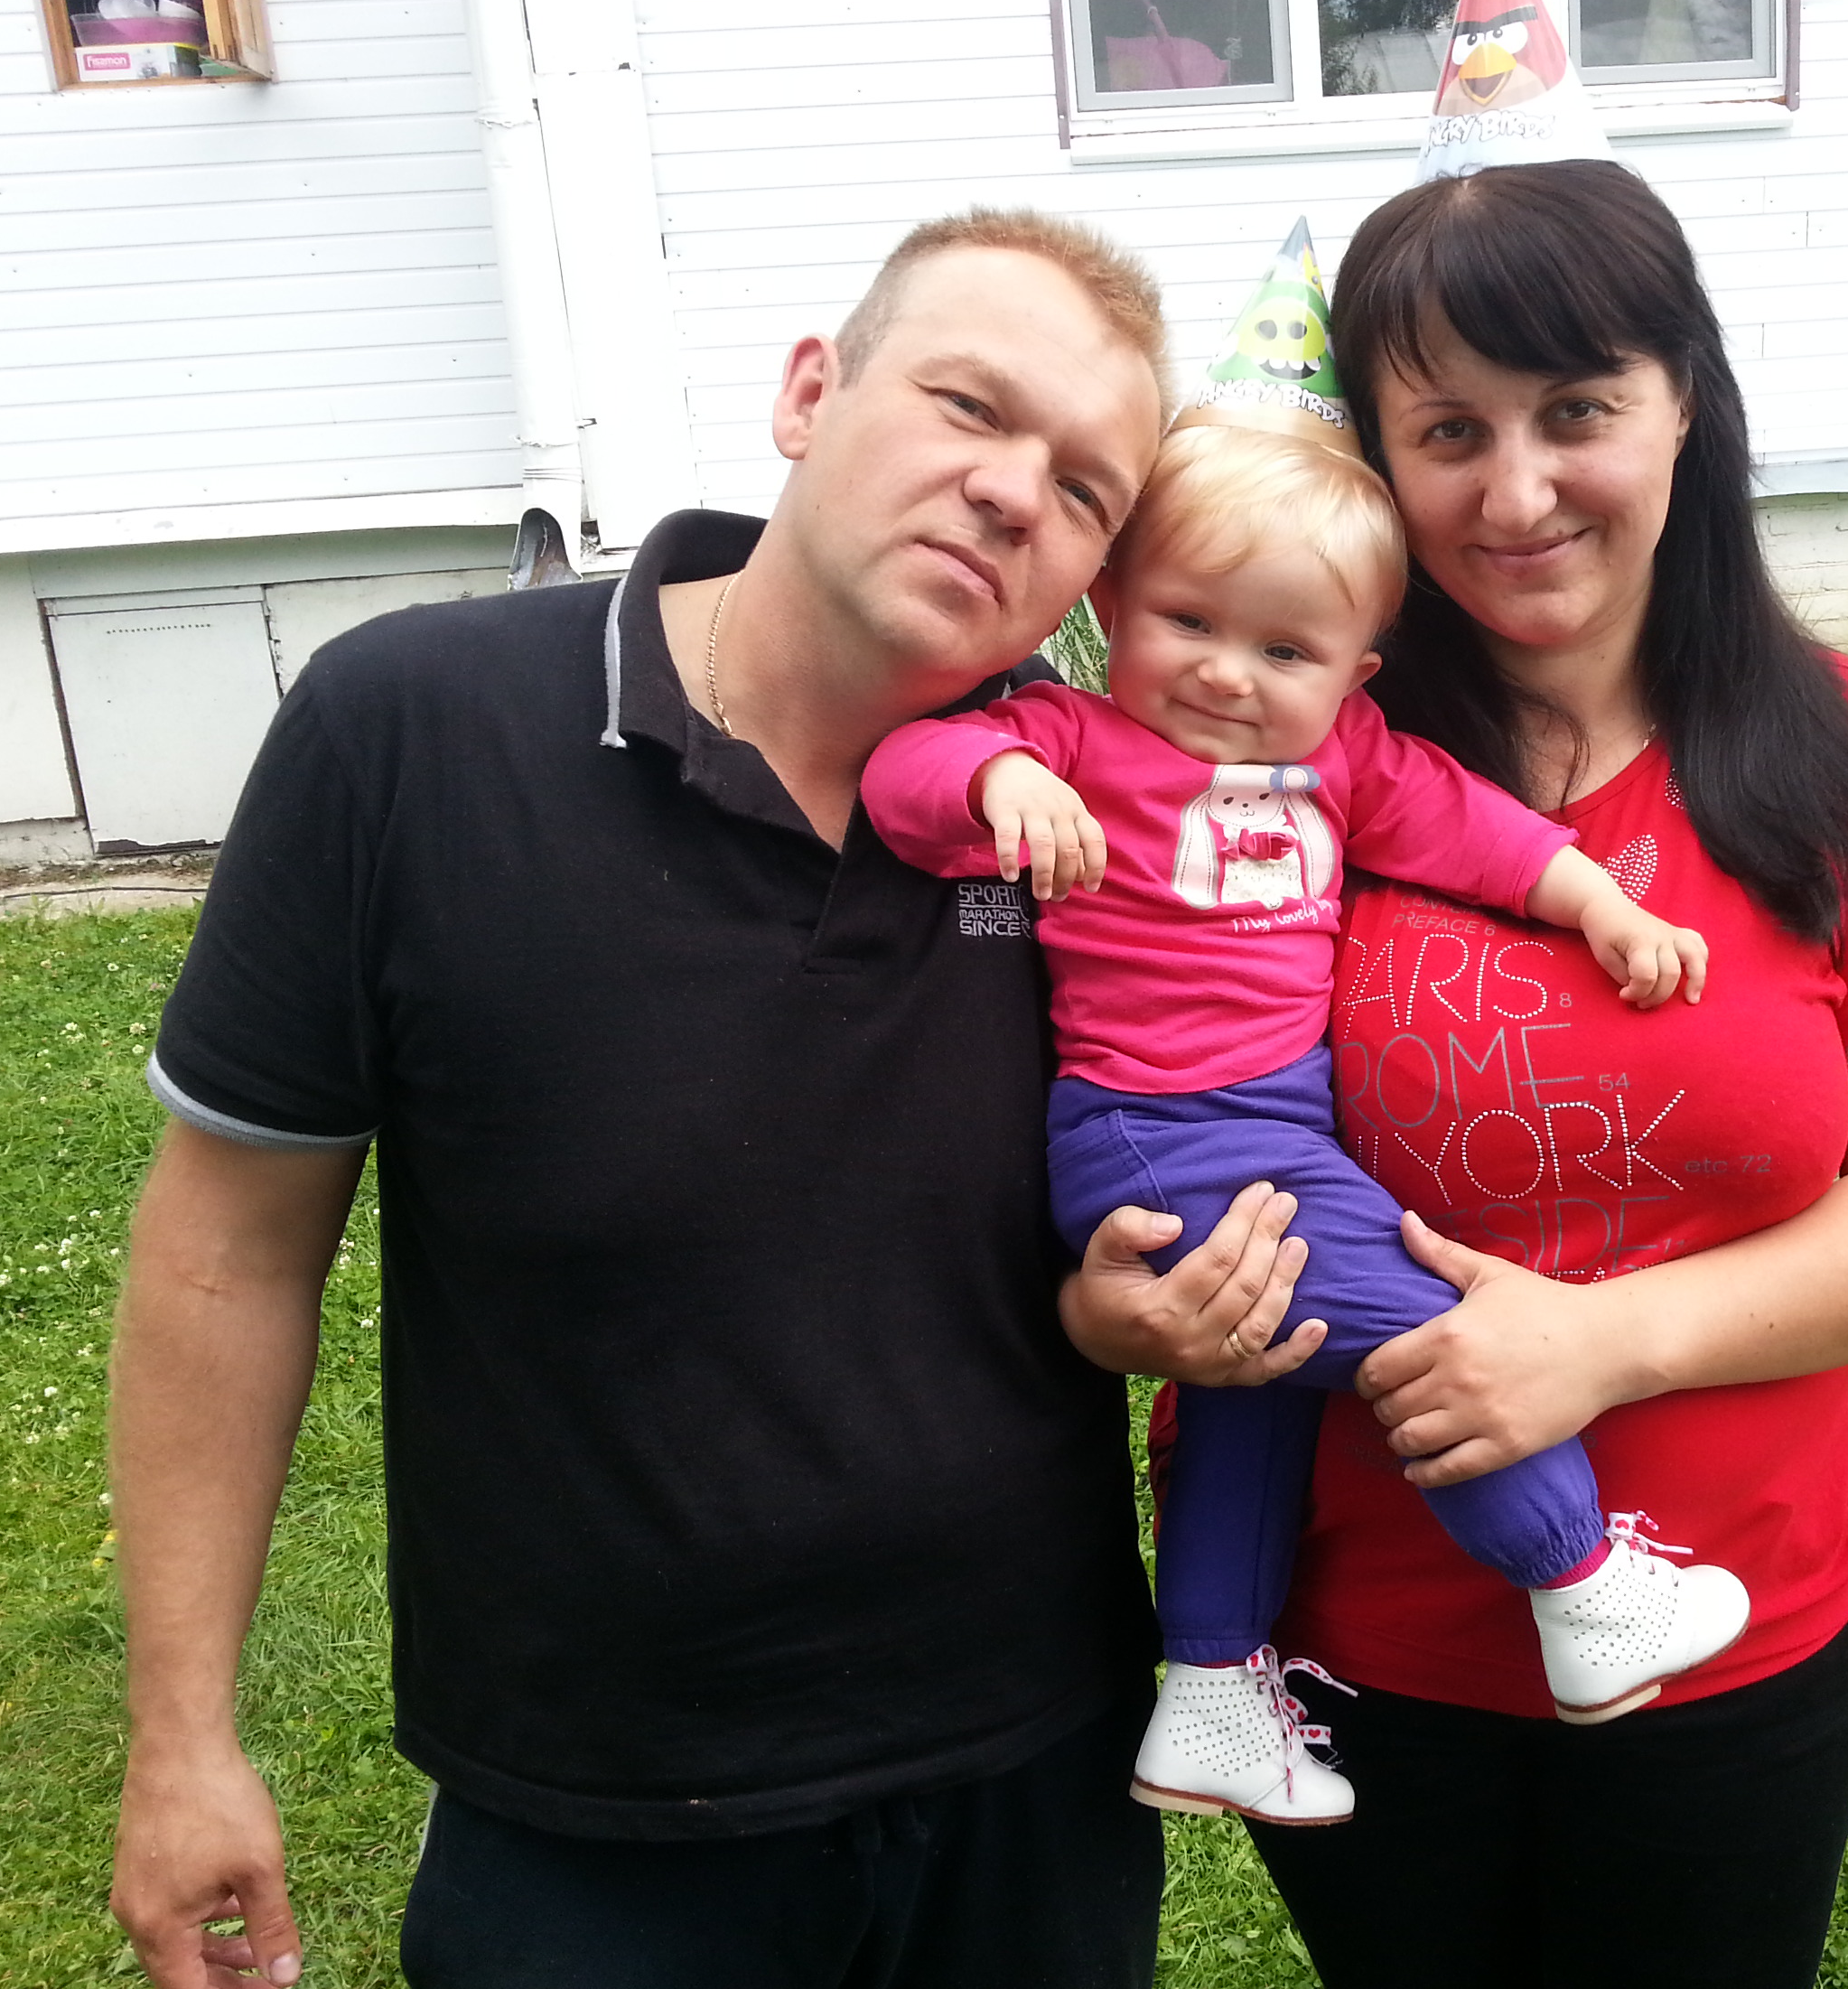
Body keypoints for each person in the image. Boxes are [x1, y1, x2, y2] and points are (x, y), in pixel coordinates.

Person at [106, 207, 1323, 1989]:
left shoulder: (1109, 816)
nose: (1012, 493)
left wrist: (1122, 1308)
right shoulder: (413, 731)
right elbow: (226, 1255)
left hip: (1033, 1781)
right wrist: (183, 1737)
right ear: (811, 393)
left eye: (1083, 490)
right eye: (969, 405)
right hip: (598, 1813)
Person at [1237, 158, 1848, 1989]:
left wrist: (1603, 1345)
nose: (1516, 494)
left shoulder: (1842, 746)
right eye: (1449, 430)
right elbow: (1146, 1092)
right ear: (1378, 459)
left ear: (1684, 407)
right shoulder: (1286, 764)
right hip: (1367, 1639)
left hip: (1734, 1630)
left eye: (1577, 409)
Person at [861, 350, 1742, 1826]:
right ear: (1108, 607)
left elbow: (1472, 829)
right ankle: (1586, 1587)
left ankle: (1210, 1692)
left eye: (1285, 650)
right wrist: (992, 783)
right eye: (1188, 622)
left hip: (1265, 1132)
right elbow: (906, 776)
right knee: (1444, 1338)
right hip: (1156, 1137)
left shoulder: (1346, 762)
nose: (1226, 673)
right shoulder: (1072, 740)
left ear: (1354, 675)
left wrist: (1600, 901)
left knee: (1252, 1398)